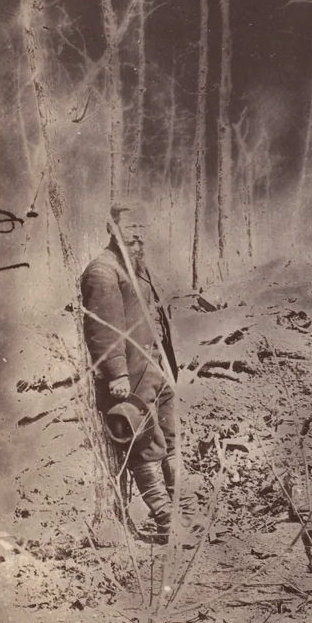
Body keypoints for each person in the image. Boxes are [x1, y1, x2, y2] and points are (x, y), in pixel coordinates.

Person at [80, 203, 193, 541]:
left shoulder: (136, 265)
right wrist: (117, 373)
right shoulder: (103, 271)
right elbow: (103, 329)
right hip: (131, 375)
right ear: (111, 228)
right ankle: (167, 523)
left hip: (156, 368)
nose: (137, 234)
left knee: (170, 440)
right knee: (144, 445)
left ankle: (188, 516)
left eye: (142, 227)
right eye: (130, 227)